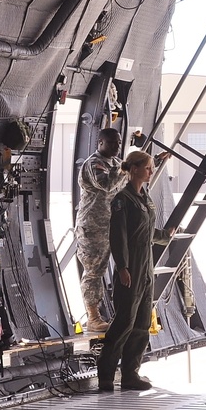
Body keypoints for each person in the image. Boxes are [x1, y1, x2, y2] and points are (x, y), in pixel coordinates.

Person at [97, 151, 174, 391]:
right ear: (135, 169)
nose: (151, 171)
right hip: (131, 266)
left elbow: (147, 230)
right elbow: (118, 237)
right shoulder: (123, 199)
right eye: (149, 167)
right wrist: (122, 267)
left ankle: (131, 374)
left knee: (141, 323)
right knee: (124, 322)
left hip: (146, 265)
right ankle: (106, 375)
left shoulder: (144, 198)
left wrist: (164, 235)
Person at [75, 128, 128, 331]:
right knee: (94, 271)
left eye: (119, 142)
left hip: (111, 224)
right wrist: (126, 168)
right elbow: (107, 183)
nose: (117, 146)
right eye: (112, 142)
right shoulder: (94, 163)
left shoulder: (116, 163)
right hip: (93, 226)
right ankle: (93, 316)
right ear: (100, 143)